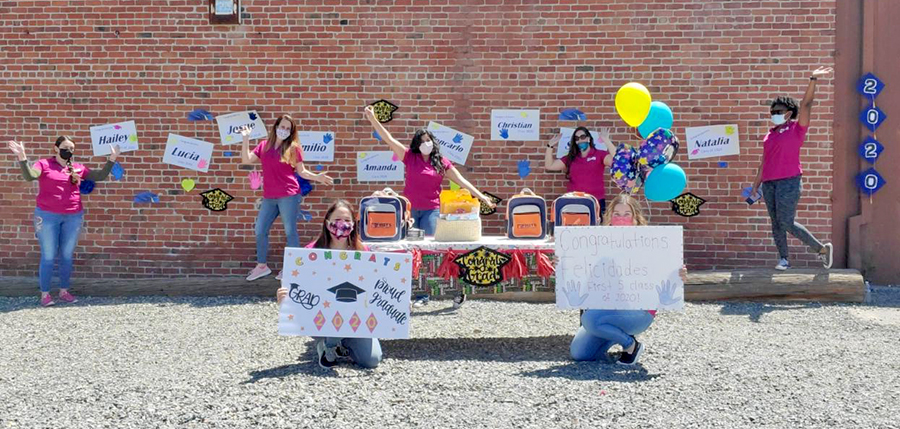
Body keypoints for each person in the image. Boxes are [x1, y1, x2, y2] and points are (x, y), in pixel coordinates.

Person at [568, 193, 687, 366]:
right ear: (610, 216)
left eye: (626, 214)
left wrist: (679, 275)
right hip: (606, 307)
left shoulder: (650, 242)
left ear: (635, 218)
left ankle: (630, 345)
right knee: (580, 353)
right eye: (617, 214)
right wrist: (565, 262)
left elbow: (667, 271)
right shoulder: (598, 242)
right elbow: (581, 268)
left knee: (589, 319)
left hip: (638, 311)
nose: (621, 218)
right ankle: (614, 332)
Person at [7, 137, 120, 307]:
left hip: (73, 216)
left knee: (66, 255)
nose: (69, 150)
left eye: (71, 148)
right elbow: (30, 176)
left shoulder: (77, 168)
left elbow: (100, 175)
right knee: (49, 256)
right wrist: (22, 157)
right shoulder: (44, 164)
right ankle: (45, 294)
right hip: (47, 217)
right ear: (56, 148)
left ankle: (64, 291)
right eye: (65, 147)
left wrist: (112, 158)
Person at [276, 200, 383, 369]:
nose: (342, 225)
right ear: (327, 223)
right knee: (336, 306)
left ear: (354, 225)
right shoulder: (311, 252)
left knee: (371, 360)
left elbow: (377, 286)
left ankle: (343, 343)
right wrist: (285, 299)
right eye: (337, 220)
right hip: (322, 316)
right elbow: (298, 287)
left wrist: (397, 302)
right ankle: (328, 345)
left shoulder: (364, 252)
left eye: (347, 220)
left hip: (356, 317)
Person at [363, 105, 495, 236]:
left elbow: (461, 181)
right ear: (417, 145)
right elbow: (389, 139)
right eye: (422, 141)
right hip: (410, 209)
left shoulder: (441, 162)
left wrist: (483, 197)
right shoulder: (409, 156)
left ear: (433, 141)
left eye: (428, 140)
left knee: (430, 243)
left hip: (432, 210)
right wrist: (373, 118)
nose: (426, 143)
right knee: (409, 243)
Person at [751, 66, 834, 271]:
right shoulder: (770, 134)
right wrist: (755, 186)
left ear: (788, 113)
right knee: (776, 223)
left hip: (789, 181)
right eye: (772, 112)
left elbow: (807, 104)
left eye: (778, 112)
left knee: (786, 222)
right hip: (769, 183)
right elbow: (764, 162)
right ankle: (783, 259)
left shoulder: (796, 128)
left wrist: (813, 79)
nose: (773, 114)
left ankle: (821, 249)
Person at [240, 116, 334, 282]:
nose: (284, 130)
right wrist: (246, 138)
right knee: (260, 230)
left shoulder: (293, 148)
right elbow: (246, 160)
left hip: (289, 195)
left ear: (291, 132)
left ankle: (292, 268)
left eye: (287, 128)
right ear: (276, 126)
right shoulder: (264, 145)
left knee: (290, 231)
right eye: (281, 126)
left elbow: (302, 172)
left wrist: (318, 177)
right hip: (269, 196)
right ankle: (262, 266)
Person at [544, 126, 617, 217]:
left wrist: (607, 140)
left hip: (596, 202)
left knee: (595, 231)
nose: (580, 140)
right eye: (577, 138)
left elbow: (616, 160)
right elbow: (549, 165)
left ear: (589, 138)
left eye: (583, 137)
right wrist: (549, 146)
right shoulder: (571, 158)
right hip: (574, 202)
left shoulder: (599, 154)